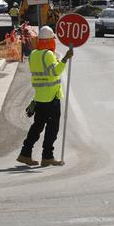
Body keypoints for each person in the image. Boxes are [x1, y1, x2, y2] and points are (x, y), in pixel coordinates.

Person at [16, 26, 73, 167]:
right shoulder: (48, 54)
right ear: (50, 41)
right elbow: (55, 72)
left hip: (39, 97)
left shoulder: (34, 54)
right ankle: (47, 156)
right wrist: (65, 58)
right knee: (52, 128)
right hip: (52, 98)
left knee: (37, 127)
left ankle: (25, 153)